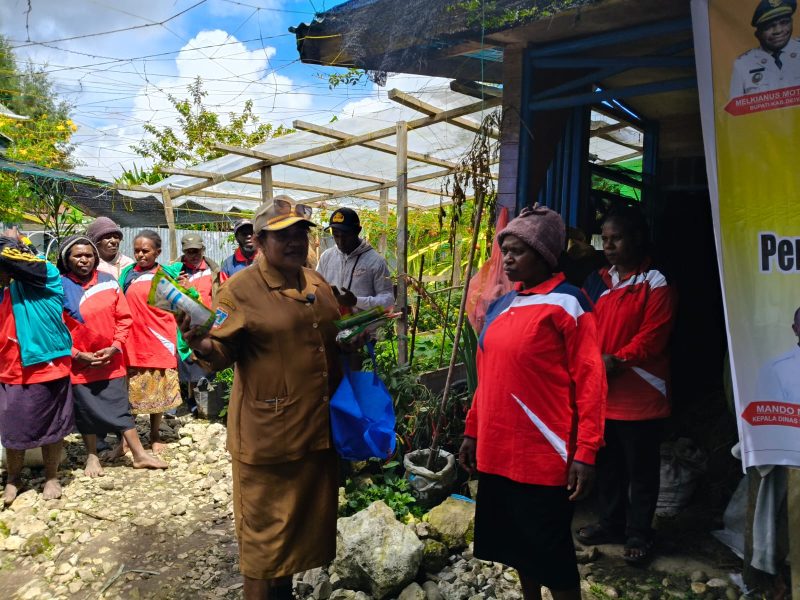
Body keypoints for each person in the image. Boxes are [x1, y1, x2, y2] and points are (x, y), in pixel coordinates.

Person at [179, 196, 361, 600]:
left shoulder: (316, 282)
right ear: (260, 241)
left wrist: (352, 340)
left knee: (297, 536)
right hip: (268, 438)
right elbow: (221, 353)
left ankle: (284, 593)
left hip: (316, 432)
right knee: (263, 545)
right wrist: (203, 345)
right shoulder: (240, 290)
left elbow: (332, 338)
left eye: (300, 233)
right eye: (282, 235)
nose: (294, 241)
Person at [458, 205, 606, 600]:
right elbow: (486, 377)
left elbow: (592, 382)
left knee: (552, 554)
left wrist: (586, 451)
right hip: (498, 452)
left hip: (544, 456)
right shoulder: (500, 307)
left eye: (518, 250)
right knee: (517, 548)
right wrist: (472, 431)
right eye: (504, 249)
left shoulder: (570, 304)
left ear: (544, 254)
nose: (506, 258)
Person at [578, 206, 675, 564]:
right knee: (608, 465)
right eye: (604, 239)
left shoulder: (655, 281)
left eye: (616, 238)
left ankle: (639, 533)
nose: (609, 246)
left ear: (636, 238)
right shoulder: (597, 281)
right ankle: (611, 523)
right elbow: (582, 325)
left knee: (641, 470)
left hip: (642, 393)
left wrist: (617, 359)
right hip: (603, 392)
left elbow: (654, 335)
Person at [58, 235, 168, 476]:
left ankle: (139, 454)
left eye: (88, 255)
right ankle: (92, 457)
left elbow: (124, 318)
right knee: (85, 410)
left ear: (95, 258)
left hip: (111, 360)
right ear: (67, 259)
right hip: (80, 363)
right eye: (77, 255)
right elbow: (55, 327)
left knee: (120, 407)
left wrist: (115, 346)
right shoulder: (59, 286)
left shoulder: (109, 281)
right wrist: (77, 354)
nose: (84, 260)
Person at [0, 231, 74, 505]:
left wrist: (15, 241)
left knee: (52, 426)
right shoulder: (5, 288)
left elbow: (13, 258)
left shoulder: (48, 275)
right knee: (12, 429)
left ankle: (52, 476)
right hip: (10, 367)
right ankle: (13, 478)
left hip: (48, 364)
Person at [120, 230, 183, 453]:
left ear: (158, 252)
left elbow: (178, 308)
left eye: (145, 251)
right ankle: (127, 439)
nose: (140, 255)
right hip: (132, 340)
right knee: (129, 392)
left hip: (159, 339)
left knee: (159, 389)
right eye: (136, 250)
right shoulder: (127, 275)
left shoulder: (165, 275)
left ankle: (155, 435)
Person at [173, 234, 223, 413]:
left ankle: (205, 403)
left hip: (208, 322)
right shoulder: (176, 271)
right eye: (189, 252)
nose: (193, 255)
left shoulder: (213, 271)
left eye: (196, 251)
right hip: (186, 325)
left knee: (207, 361)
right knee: (189, 362)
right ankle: (192, 400)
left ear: (203, 250)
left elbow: (221, 295)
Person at [316, 207, 394, 314]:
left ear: (358, 231)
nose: (340, 241)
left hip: (365, 330)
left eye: (346, 235)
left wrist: (356, 301)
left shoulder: (375, 261)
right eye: (336, 235)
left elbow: (388, 301)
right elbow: (316, 288)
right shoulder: (326, 257)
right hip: (332, 328)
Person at [730, 0, 800, 98]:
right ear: (758, 34)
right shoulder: (743, 64)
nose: (778, 31)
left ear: (792, 23)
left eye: (784, 22)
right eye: (769, 26)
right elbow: (736, 109)